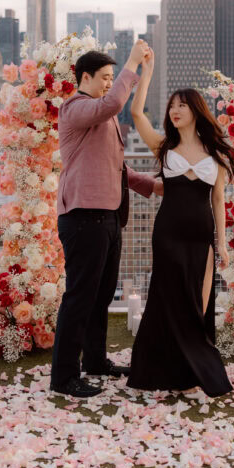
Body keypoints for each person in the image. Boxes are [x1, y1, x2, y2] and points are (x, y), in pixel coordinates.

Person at [50, 40, 159, 398]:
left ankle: (94, 361)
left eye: (114, 77)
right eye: (106, 77)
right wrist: (132, 61)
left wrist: (151, 186)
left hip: (109, 215)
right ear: (85, 77)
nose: (110, 84)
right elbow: (114, 102)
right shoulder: (75, 107)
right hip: (84, 216)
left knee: (100, 295)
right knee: (80, 296)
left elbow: (114, 167)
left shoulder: (103, 113)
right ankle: (64, 377)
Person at [127, 50, 234, 397]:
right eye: (172, 106)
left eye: (181, 106)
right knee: (167, 297)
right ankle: (161, 370)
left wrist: (221, 244)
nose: (174, 111)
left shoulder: (215, 154)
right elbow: (135, 113)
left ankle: (192, 372)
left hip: (201, 235)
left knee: (198, 306)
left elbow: (218, 200)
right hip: (168, 233)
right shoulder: (164, 147)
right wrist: (147, 72)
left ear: (196, 111)